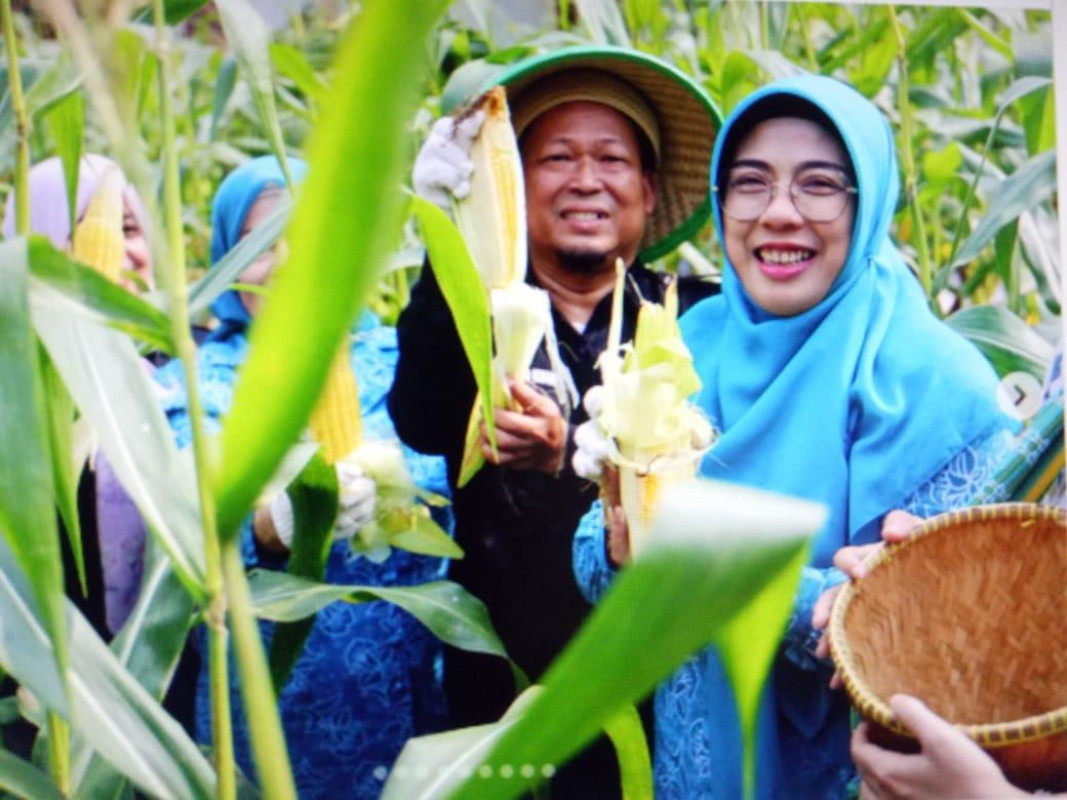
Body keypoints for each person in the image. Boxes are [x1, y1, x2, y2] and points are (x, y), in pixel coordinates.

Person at [573, 73, 1018, 798]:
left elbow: (943, 630)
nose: (778, 214)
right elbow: (596, 553)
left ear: (866, 201)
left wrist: (718, 573)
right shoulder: (688, 347)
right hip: (700, 762)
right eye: (750, 183)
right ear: (721, 204)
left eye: (817, 185)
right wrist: (622, 547)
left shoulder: (936, 387)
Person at [388, 44, 720, 795]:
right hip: (507, 696)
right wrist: (448, 244)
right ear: (513, 186)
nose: (585, 180)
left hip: (664, 694)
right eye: (555, 158)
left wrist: (567, 455)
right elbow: (418, 416)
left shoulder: (698, 317)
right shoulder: (477, 316)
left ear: (647, 185)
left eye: (610, 158)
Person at [154, 155, 452, 799]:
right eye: (261, 244)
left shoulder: (406, 359)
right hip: (276, 724)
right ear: (227, 265)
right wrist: (284, 518)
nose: (290, 260)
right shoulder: (189, 383)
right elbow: (188, 522)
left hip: (425, 719)